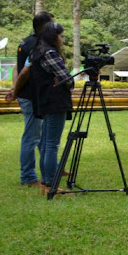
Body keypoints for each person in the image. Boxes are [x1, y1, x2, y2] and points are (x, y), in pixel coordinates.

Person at [7, 11, 54, 188]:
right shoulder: (37, 45)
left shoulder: (25, 42)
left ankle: (50, 168)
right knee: (32, 136)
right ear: (44, 27)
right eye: (52, 25)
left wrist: (14, 88)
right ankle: (27, 176)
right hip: (31, 96)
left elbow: (16, 68)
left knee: (42, 136)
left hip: (29, 95)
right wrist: (16, 90)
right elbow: (24, 72)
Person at [29, 23, 74, 193]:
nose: (62, 40)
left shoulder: (37, 52)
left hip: (45, 101)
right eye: (61, 36)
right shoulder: (50, 53)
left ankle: (45, 184)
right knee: (51, 144)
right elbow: (67, 78)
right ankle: (49, 184)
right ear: (53, 37)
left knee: (46, 143)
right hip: (55, 102)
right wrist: (68, 82)